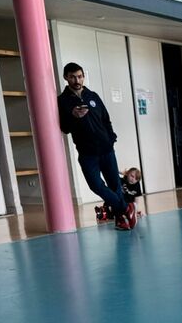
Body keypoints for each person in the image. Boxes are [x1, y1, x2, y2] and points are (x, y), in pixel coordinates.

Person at [57, 63, 137, 230]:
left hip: (106, 149)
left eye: (80, 76)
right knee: (95, 185)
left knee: (115, 185)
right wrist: (73, 116)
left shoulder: (93, 96)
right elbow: (64, 128)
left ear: (83, 77)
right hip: (87, 153)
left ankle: (121, 219)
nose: (77, 80)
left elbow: (106, 119)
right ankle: (126, 208)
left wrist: (111, 138)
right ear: (66, 77)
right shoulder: (62, 101)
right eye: (72, 77)